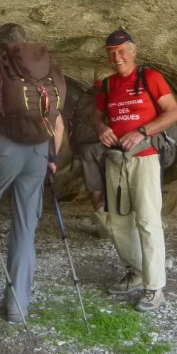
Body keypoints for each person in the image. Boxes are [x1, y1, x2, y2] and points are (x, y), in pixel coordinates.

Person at [0, 23, 65, 323]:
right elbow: (56, 119)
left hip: (3, 147)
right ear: (24, 44)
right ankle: (18, 304)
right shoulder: (45, 68)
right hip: (39, 149)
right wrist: (52, 155)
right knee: (26, 225)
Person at [92, 29, 177, 312]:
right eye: (111, 53)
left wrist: (142, 131)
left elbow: (173, 112)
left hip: (145, 158)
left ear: (133, 50)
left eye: (121, 51)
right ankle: (136, 271)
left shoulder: (150, 77)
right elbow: (95, 116)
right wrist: (102, 128)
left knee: (147, 220)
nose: (116, 57)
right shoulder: (107, 86)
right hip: (116, 160)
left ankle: (155, 287)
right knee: (118, 221)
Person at [68, 77, 110, 235]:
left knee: (94, 184)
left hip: (85, 147)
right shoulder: (107, 95)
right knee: (110, 182)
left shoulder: (83, 97)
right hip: (103, 143)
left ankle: (101, 219)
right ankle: (111, 220)